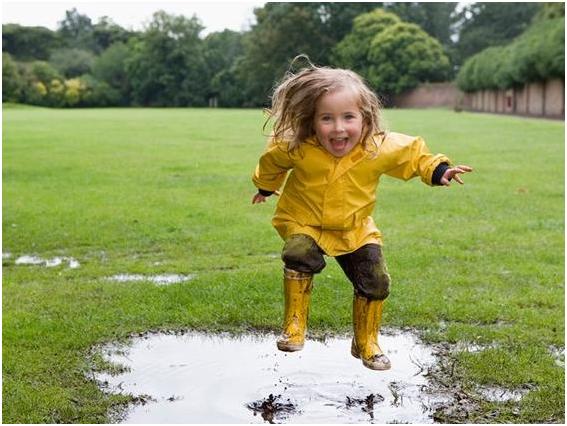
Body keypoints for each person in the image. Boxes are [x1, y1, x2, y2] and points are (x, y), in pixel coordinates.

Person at [251, 58, 472, 371]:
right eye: (326, 118)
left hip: (355, 228)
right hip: (304, 220)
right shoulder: (298, 146)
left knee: (376, 281)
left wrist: (439, 170)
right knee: (298, 251)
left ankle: (366, 341)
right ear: (312, 121)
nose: (338, 128)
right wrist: (265, 186)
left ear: (365, 118)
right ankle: (294, 325)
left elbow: (412, 155)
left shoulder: (376, 147)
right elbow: (271, 163)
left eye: (348, 117)